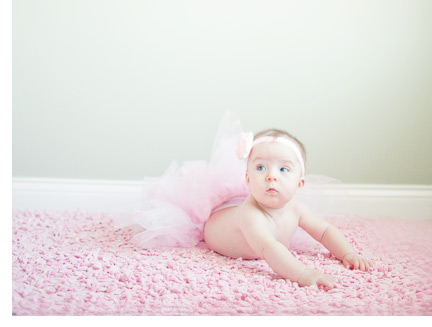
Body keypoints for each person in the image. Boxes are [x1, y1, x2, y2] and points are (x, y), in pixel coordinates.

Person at [132, 113, 371, 290]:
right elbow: (269, 248)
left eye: (283, 169)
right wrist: (303, 274)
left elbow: (325, 231)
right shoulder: (250, 215)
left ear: (299, 185)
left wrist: (347, 253)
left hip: (244, 212)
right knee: (229, 216)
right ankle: (219, 208)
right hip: (221, 217)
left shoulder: (297, 208)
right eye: (260, 167)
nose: (271, 175)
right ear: (247, 179)